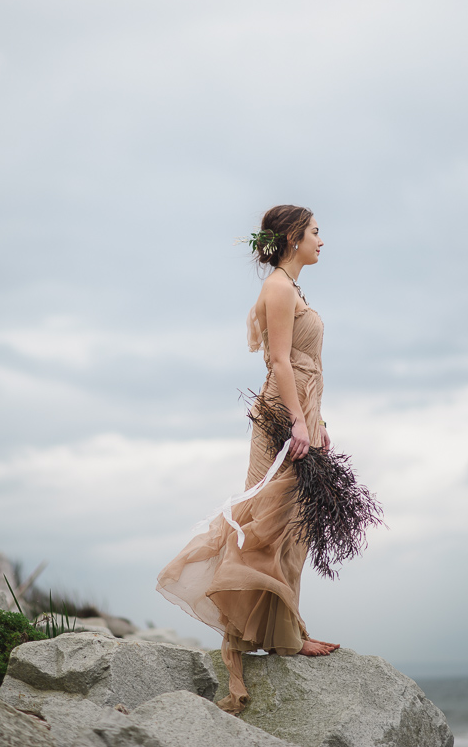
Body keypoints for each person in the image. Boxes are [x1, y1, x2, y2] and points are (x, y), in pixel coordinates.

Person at [156, 204, 340, 714]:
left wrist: (319, 422)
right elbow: (280, 360)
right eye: (316, 233)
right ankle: (284, 636)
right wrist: (299, 422)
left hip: (300, 410)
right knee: (273, 522)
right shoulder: (279, 288)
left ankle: (283, 628)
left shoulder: (293, 288)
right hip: (283, 414)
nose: (322, 241)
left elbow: (308, 366)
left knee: (293, 524)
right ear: (291, 239)